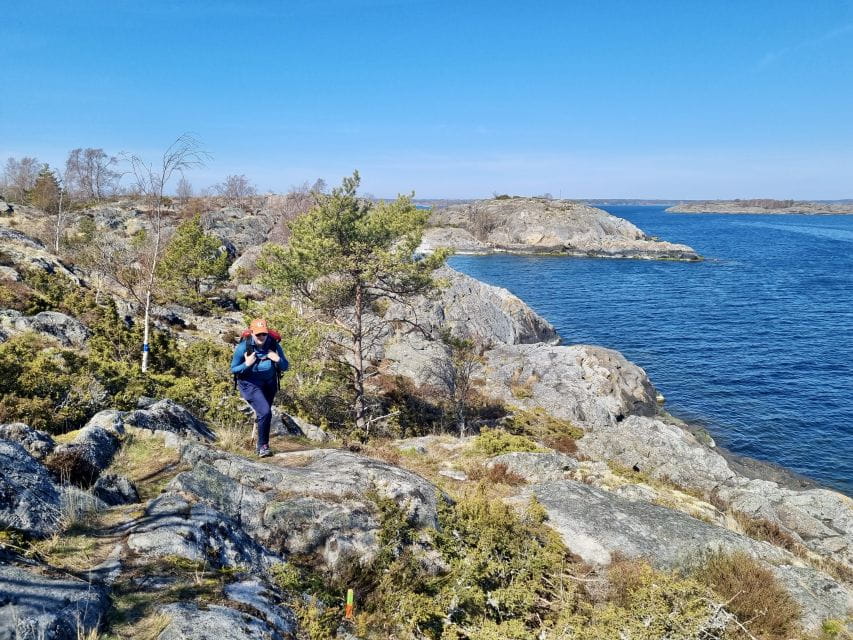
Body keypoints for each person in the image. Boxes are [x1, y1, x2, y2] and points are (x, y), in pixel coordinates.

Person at [230, 318, 288, 457]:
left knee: (264, 414)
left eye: (264, 334)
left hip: (269, 383)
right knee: (266, 412)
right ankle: (263, 446)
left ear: (267, 333)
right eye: (258, 335)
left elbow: (285, 366)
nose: (261, 337)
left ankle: (260, 444)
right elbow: (233, 369)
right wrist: (247, 364)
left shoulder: (273, 345)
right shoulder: (244, 347)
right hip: (250, 384)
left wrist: (277, 359)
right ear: (252, 334)